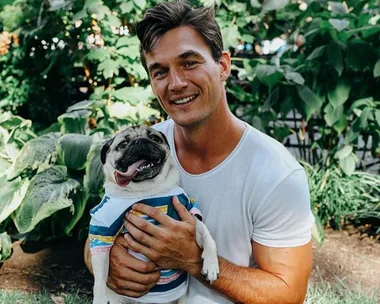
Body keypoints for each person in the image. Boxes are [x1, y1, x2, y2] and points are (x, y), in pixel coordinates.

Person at [98, 1, 314, 303]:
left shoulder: (276, 174)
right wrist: (107, 264)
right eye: (160, 71)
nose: (176, 83)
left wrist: (193, 259)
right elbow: (98, 231)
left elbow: (289, 295)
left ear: (223, 65)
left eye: (189, 63)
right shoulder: (146, 148)